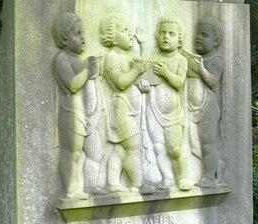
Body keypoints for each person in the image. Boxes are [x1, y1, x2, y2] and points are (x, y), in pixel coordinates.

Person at [52, 12, 104, 199]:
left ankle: (91, 185)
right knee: (72, 153)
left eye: (83, 33)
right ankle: (72, 190)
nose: (83, 38)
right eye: (77, 33)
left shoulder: (79, 59)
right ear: (65, 38)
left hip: (88, 115)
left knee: (95, 152)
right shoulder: (62, 59)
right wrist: (87, 72)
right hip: (71, 113)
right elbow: (72, 84)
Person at [99, 14, 150, 193]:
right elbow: (121, 82)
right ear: (113, 38)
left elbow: (142, 70)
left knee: (121, 149)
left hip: (132, 108)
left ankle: (113, 183)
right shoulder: (112, 58)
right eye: (124, 30)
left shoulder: (128, 56)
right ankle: (137, 184)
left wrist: (143, 46)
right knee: (133, 146)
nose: (129, 34)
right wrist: (135, 71)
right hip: (122, 109)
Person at [146, 18, 191, 191]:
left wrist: (165, 72)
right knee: (158, 147)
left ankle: (181, 178)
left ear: (179, 39)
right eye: (163, 33)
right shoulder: (154, 58)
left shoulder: (181, 60)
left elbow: (179, 83)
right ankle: (167, 178)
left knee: (174, 149)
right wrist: (144, 86)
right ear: (157, 36)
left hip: (173, 114)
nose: (166, 37)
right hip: (154, 110)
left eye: (171, 34)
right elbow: (148, 81)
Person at [186, 16, 224, 187]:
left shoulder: (216, 61)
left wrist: (200, 70)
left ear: (215, 41)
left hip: (208, 107)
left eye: (204, 35)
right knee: (194, 144)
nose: (198, 37)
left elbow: (213, 81)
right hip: (191, 107)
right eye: (197, 34)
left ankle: (210, 176)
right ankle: (216, 165)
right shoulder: (193, 59)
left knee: (208, 144)